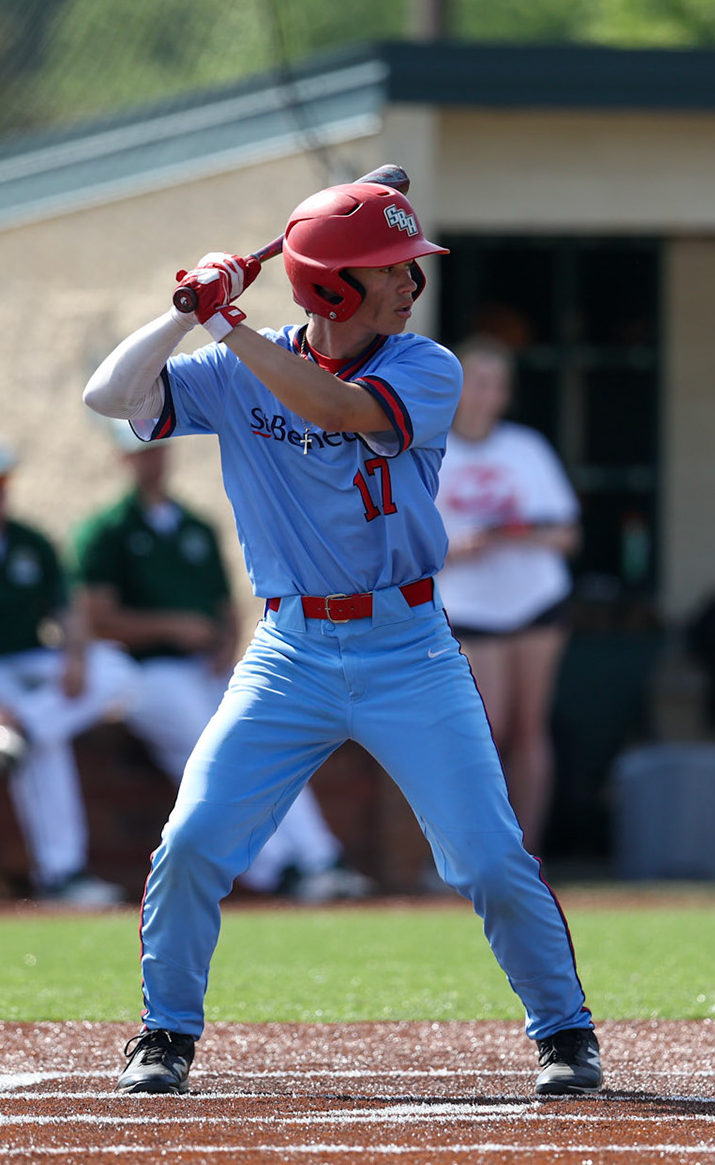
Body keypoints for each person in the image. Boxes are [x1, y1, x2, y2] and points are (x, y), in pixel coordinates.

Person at [84, 180, 600, 1097]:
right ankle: (164, 1033)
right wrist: (184, 309)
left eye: (410, 267)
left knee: (486, 856)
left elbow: (335, 410)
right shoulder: (236, 366)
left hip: (410, 648)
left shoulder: (426, 367)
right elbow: (107, 395)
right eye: (392, 270)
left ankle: (564, 1032)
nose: (412, 283)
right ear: (330, 288)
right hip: (289, 653)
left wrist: (226, 327)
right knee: (194, 839)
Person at [76, 423, 373, 903]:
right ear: (121, 459)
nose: (149, 462)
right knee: (211, 748)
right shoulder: (106, 531)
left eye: (155, 452)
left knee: (272, 736)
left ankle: (321, 857)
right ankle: (277, 868)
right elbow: (97, 620)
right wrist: (173, 627)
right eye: (138, 454)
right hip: (141, 672)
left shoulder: (194, 526)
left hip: (205, 670)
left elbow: (226, 606)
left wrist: (223, 646)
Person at [0, 430, 141, 908]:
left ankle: (21, 734)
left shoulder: (30, 541)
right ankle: (62, 874)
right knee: (44, 740)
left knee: (116, 667)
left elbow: (67, 613)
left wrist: (77, 659)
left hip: (23, 667)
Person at [434, 336, 580, 854]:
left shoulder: (527, 448)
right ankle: (478, 851)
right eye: (474, 381)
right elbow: (407, 542)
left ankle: (528, 856)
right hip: (469, 607)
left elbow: (566, 534)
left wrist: (520, 534)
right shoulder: (432, 448)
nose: (482, 394)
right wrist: (457, 548)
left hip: (535, 600)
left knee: (529, 728)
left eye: (495, 384)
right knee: (485, 730)